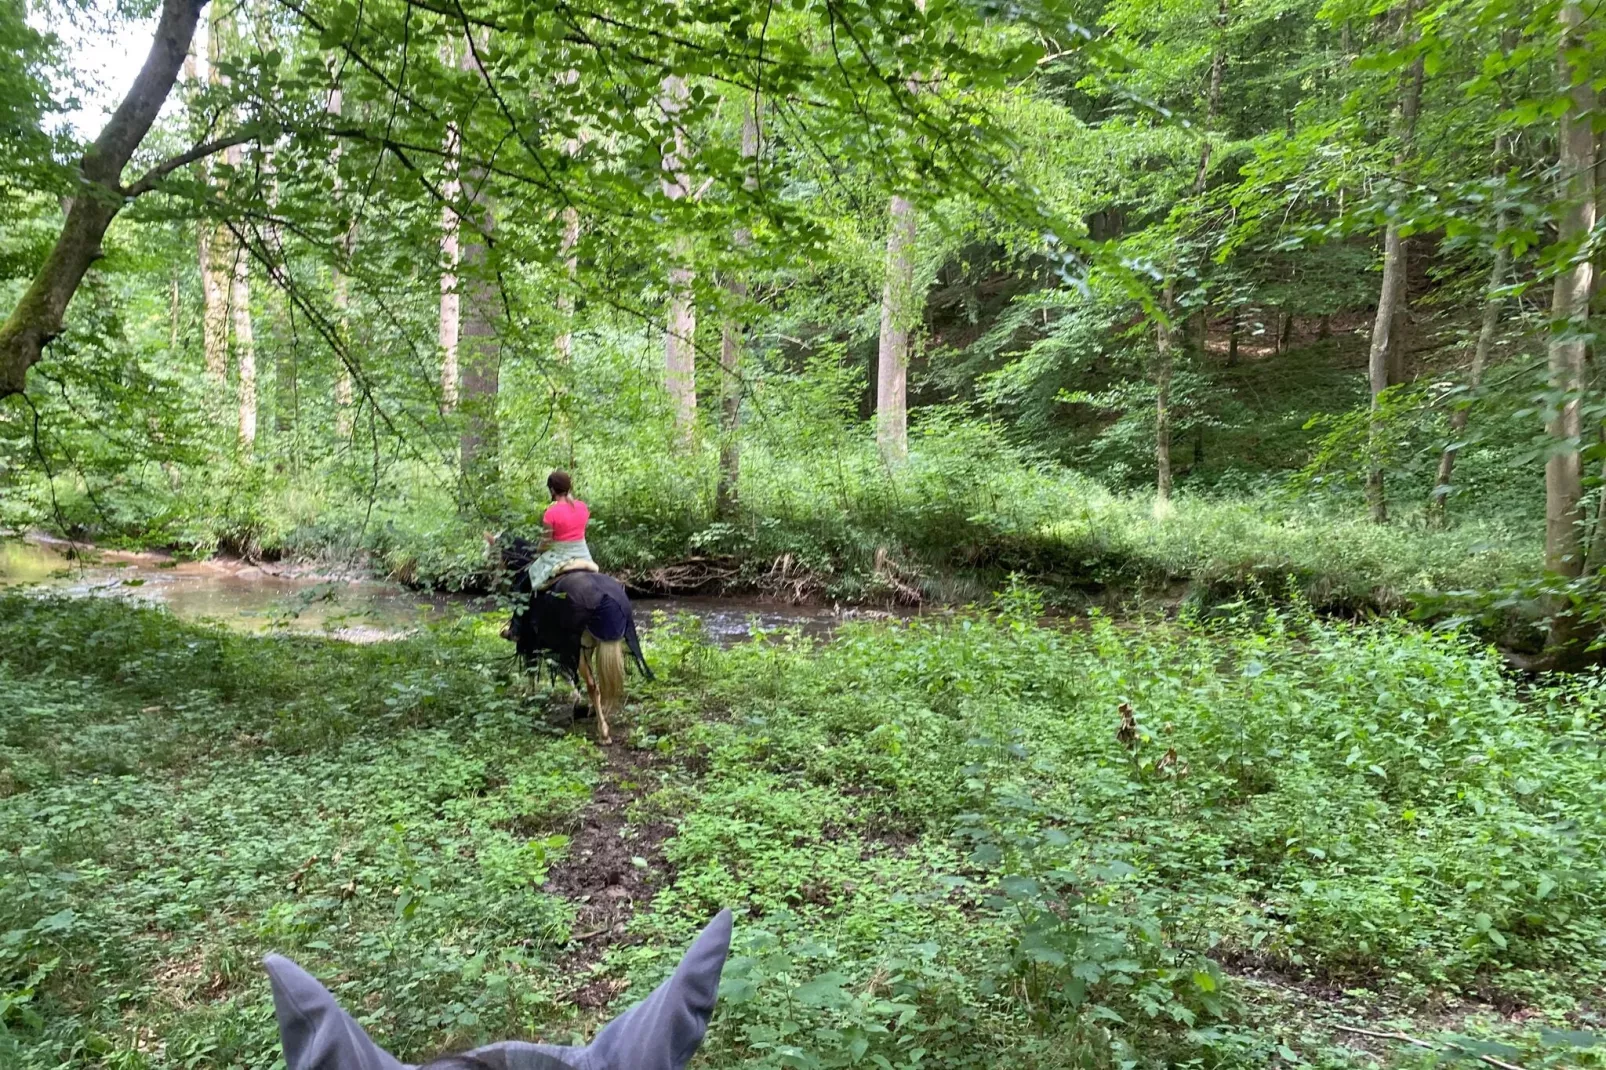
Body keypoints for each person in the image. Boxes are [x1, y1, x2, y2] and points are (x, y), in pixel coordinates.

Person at [524, 470, 596, 592]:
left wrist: (538, 551)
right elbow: (582, 530)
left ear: (552, 490)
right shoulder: (582, 506)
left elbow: (546, 542)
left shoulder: (551, 512)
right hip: (583, 553)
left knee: (533, 572)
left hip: (559, 556)